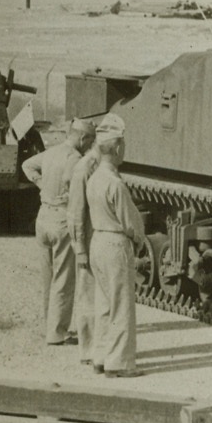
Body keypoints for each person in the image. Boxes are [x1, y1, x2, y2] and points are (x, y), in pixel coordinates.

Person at [22, 118, 96, 345]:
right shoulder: (76, 160)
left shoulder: (51, 152)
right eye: (90, 142)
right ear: (83, 138)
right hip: (62, 221)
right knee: (63, 279)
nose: (90, 146)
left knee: (48, 277)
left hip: (43, 216)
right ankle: (57, 333)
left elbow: (27, 165)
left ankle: (49, 326)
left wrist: (42, 184)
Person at [85, 114, 145, 377]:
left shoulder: (95, 178)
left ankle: (100, 357)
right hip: (115, 244)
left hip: (97, 241)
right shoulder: (115, 183)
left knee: (103, 304)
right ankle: (119, 364)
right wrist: (139, 239)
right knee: (121, 306)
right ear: (118, 147)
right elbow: (130, 222)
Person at [67, 123, 101, 365]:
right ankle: (87, 351)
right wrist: (80, 249)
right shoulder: (85, 168)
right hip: (88, 241)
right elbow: (76, 213)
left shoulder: (98, 164)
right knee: (88, 297)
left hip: (99, 240)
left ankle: (99, 348)